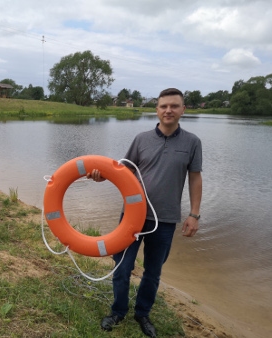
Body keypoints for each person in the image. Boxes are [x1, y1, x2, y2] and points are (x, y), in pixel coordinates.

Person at [87, 88, 202, 337]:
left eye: (174, 106)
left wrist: (194, 214)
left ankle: (142, 314)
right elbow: (122, 172)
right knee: (121, 266)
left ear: (183, 109)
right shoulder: (141, 139)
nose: (168, 110)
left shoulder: (192, 142)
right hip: (133, 217)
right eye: (163, 106)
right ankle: (118, 311)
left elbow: (195, 178)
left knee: (153, 271)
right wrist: (100, 176)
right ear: (157, 110)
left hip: (166, 219)